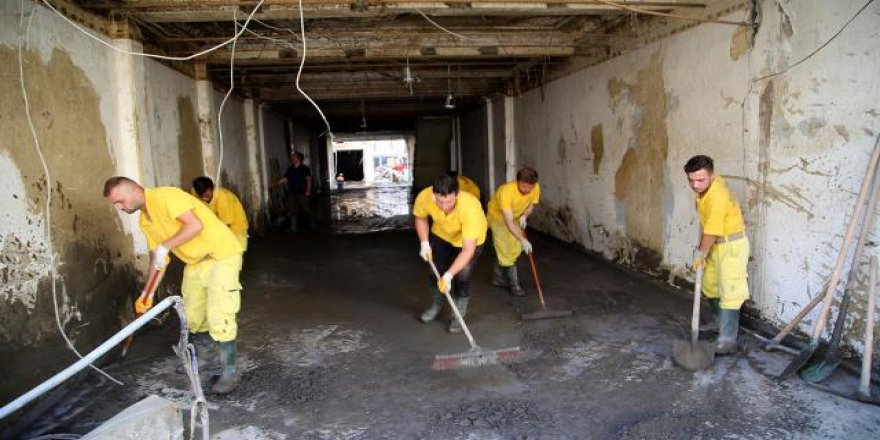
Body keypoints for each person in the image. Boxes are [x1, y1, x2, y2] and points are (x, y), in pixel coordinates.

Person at [103, 177, 244, 393]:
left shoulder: (166, 196)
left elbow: (195, 225)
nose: (119, 207)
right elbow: (158, 260)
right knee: (194, 315)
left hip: (221, 255)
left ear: (133, 191)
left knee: (220, 315)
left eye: (119, 201)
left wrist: (166, 246)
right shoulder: (145, 220)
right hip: (195, 262)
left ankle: (230, 372)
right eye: (116, 205)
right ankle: (205, 357)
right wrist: (147, 294)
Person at [684, 155, 749, 355]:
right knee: (710, 284)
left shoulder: (717, 195)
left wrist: (700, 254)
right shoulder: (707, 188)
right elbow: (708, 228)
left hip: (731, 246)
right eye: (691, 180)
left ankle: (727, 340)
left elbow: (711, 231)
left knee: (730, 289)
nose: (695, 185)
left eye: (700, 180)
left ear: (712, 176)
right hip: (716, 245)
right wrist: (703, 250)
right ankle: (720, 322)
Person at [413, 174, 488, 333]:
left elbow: (468, 250)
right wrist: (424, 243)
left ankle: (458, 315)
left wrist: (449, 275)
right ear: (434, 195)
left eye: (448, 201)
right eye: (439, 201)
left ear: (457, 194)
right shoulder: (425, 197)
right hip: (442, 234)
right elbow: (420, 218)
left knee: (462, 275)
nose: (444, 206)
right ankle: (436, 305)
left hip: (469, 240)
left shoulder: (470, 208)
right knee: (434, 271)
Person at [486, 167, 541, 296]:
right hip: (498, 218)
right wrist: (523, 239)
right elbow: (509, 223)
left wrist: (524, 216)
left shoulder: (535, 187)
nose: (527, 190)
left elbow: (531, 204)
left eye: (530, 187)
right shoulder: (506, 192)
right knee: (505, 250)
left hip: (515, 216)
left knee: (515, 249)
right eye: (524, 186)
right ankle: (514, 285)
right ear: (517, 182)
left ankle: (497, 278)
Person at [191, 176, 249, 250]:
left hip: (235, 226)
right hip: (218, 224)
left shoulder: (223, 197)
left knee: (235, 251)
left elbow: (226, 223)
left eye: (207, 195)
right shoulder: (195, 192)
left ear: (212, 188)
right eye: (201, 196)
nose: (204, 199)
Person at [274, 152, 313, 231]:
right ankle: (293, 228)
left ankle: (312, 222)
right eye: (292, 157)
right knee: (292, 210)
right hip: (292, 193)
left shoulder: (305, 169)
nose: (292, 159)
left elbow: (309, 180)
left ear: (298, 159)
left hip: (303, 192)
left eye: (294, 157)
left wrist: (308, 191)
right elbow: (285, 178)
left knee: (306, 209)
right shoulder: (290, 169)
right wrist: (276, 183)